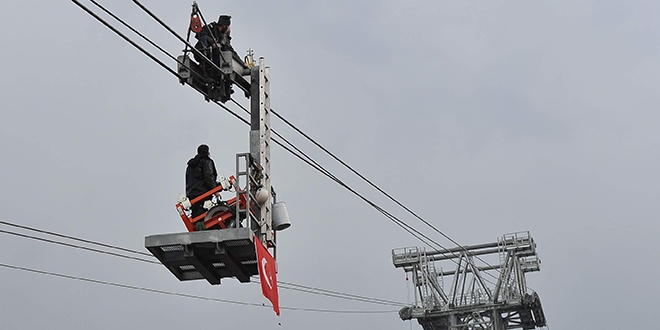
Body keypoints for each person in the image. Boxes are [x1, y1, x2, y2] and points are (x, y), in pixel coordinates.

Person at [185, 144, 220, 221]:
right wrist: (215, 190)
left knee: (197, 218)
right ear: (207, 152)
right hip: (203, 195)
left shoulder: (190, 165)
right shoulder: (206, 162)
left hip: (192, 196)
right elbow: (208, 177)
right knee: (206, 217)